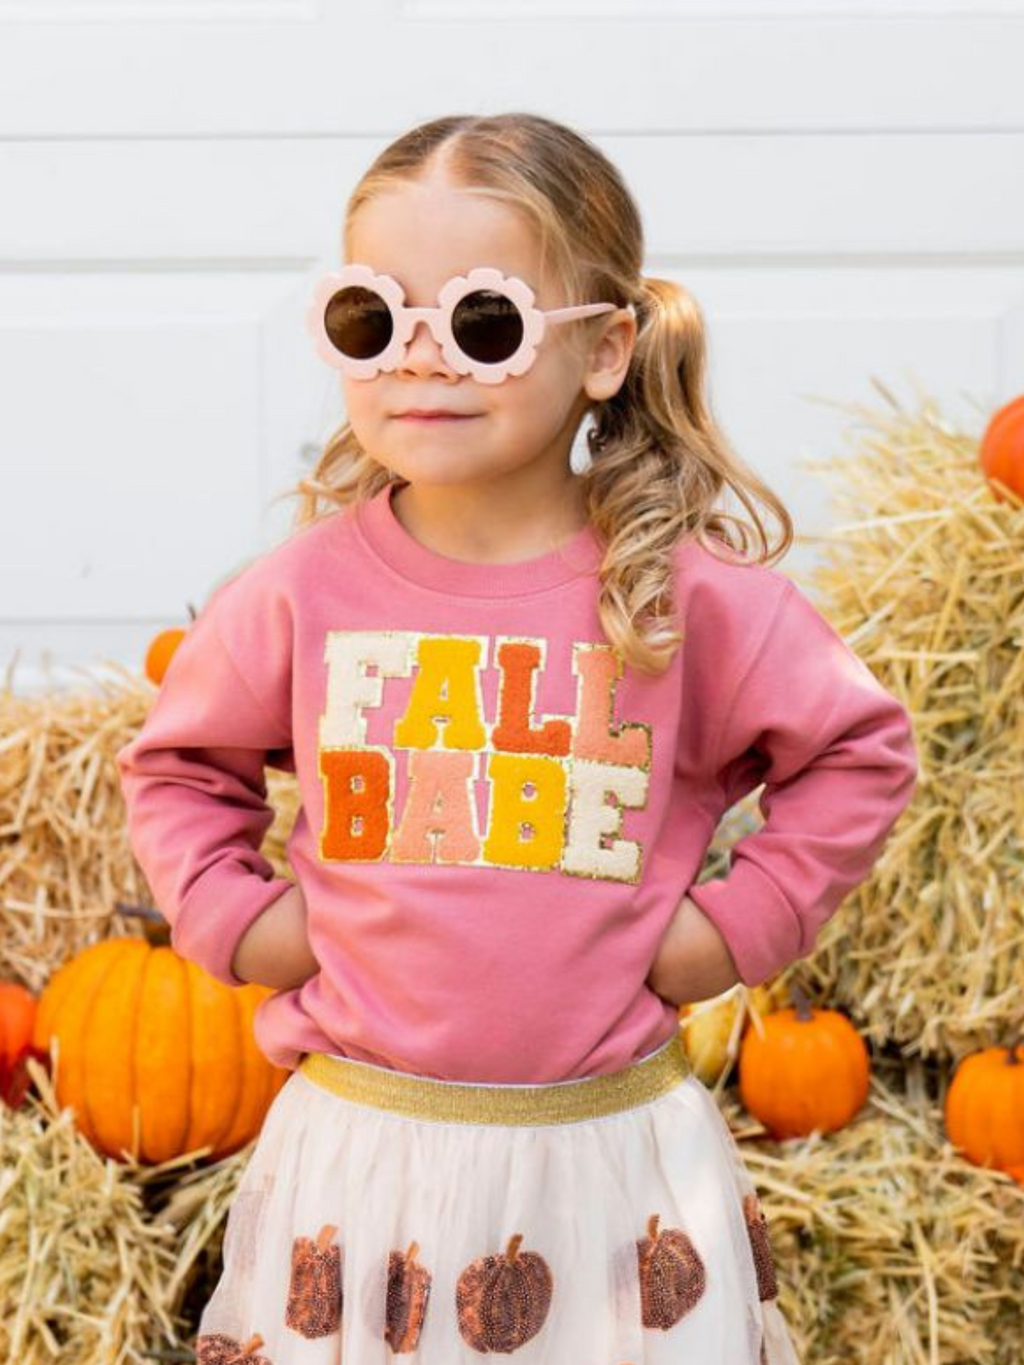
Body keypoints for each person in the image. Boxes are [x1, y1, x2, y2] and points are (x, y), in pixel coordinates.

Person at [116, 111, 918, 1365]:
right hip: (361, 1159)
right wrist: (239, 918)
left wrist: (734, 928)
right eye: (374, 320)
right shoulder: (298, 593)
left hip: (607, 1164)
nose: (421, 363)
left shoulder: (680, 597)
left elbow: (858, 750)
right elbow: (178, 767)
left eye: (483, 323)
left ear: (603, 350)